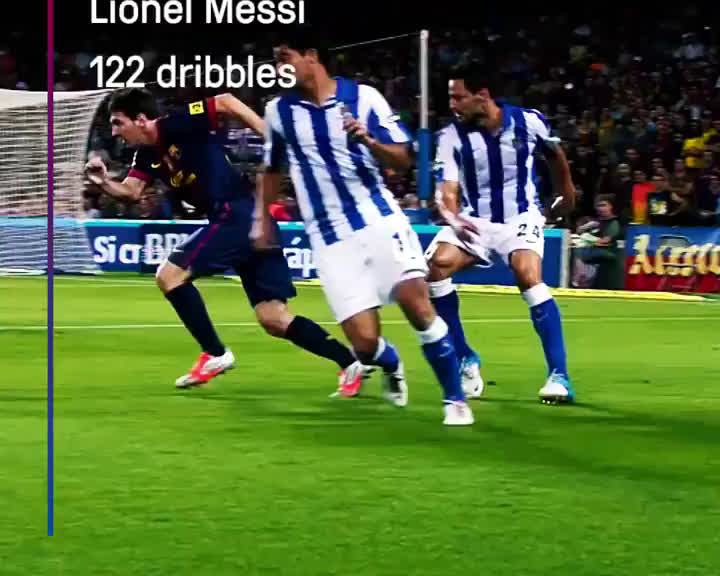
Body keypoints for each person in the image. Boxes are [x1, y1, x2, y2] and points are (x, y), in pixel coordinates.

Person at [85, 87, 367, 395]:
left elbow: (225, 101)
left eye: (118, 122)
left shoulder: (176, 123)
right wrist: (102, 181)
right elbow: (131, 192)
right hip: (252, 220)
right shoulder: (146, 154)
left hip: (236, 215)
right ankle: (350, 362)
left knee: (169, 275)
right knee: (273, 318)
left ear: (141, 119)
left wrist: (270, 137)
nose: (115, 132)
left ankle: (215, 354)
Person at [255, 34, 473, 426]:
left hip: (378, 219)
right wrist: (262, 219)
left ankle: (454, 399)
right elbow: (271, 169)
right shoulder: (278, 112)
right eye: (275, 61)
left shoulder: (365, 98)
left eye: (284, 58)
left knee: (415, 301)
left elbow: (404, 159)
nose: (278, 68)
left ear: (311, 56)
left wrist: (368, 140)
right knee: (364, 344)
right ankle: (390, 362)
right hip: (329, 239)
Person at [425, 62, 577, 404]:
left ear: (482, 95)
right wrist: (453, 217)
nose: (452, 104)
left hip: (519, 215)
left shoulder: (528, 121)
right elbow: (447, 190)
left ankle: (559, 375)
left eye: (458, 97)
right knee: (434, 268)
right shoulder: (450, 137)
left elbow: (555, 155)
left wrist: (566, 194)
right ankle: (466, 357)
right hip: (473, 219)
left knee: (527, 273)